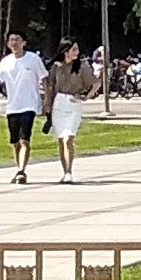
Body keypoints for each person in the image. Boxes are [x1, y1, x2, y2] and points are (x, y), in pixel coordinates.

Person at [0, 32, 47, 183]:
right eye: (11, 40)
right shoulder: (6, 62)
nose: (14, 43)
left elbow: (44, 78)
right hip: (12, 107)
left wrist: (46, 101)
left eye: (17, 40)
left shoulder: (33, 59)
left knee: (25, 140)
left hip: (29, 105)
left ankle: (21, 170)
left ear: (24, 42)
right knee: (15, 142)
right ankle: (19, 169)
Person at [47, 41, 93, 181]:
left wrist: (86, 96)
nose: (76, 52)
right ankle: (65, 170)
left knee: (68, 138)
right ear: (65, 51)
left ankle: (69, 172)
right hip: (59, 103)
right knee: (61, 139)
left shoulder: (82, 67)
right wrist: (47, 104)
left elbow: (95, 83)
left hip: (73, 103)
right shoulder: (56, 66)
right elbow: (51, 86)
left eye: (77, 49)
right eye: (73, 49)